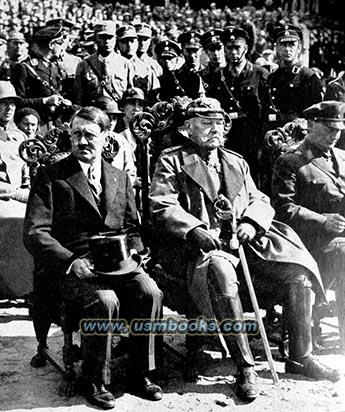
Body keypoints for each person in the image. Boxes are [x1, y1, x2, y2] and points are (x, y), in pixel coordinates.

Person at [149, 97, 342, 402]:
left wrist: (252, 223)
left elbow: (260, 199)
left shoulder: (235, 161)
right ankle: (245, 366)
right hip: (196, 251)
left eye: (220, 124)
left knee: (297, 269)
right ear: (188, 128)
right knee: (221, 270)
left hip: (244, 245)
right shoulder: (172, 159)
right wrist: (195, 229)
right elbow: (162, 204)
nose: (215, 130)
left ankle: (300, 357)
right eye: (206, 123)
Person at [23, 106, 163, 410]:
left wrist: (137, 250)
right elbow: (35, 232)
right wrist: (71, 261)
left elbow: (131, 226)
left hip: (118, 264)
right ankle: (95, 379)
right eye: (76, 134)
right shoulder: (51, 177)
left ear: (105, 138)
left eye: (90, 134)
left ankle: (141, 373)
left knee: (150, 291)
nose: (82, 141)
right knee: (105, 301)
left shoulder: (120, 177)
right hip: (72, 267)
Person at [271, 100, 345, 349]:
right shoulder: (290, 162)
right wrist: (323, 222)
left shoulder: (342, 158)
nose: (334, 136)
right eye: (328, 129)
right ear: (311, 125)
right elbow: (283, 209)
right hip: (307, 245)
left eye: (337, 131)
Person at [206, 27, 269, 181]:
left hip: (252, 140)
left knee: (252, 180)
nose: (233, 52)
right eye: (229, 48)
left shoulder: (260, 74)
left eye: (237, 48)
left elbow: (267, 110)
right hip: (226, 139)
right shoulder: (217, 76)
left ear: (245, 49)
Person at [11, 25, 73, 131]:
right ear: (51, 45)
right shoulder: (25, 67)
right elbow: (18, 101)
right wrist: (44, 101)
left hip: (56, 124)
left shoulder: (55, 66)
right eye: (60, 44)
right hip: (35, 125)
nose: (62, 47)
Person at [266, 24, 323, 130]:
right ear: (277, 48)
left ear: (299, 48)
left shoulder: (308, 77)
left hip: (299, 136)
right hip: (274, 135)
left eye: (292, 44)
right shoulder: (272, 78)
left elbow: (317, 114)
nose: (287, 49)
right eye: (283, 44)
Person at [74, 21, 133, 106]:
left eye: (110, 37)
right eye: (102, 37)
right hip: (93, 114)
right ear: (95, 38)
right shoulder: (84, 65)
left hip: (117, 113)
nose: (106, 41)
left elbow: (130, 96)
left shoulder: (125, 64)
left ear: (115, 39)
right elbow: (78, 98)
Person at [92, 95, 137, 186]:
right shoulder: (87, 140)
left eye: (115, 118)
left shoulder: (120, 140)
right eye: (108, 117)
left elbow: (130, 171)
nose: (112, 122)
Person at [0, 81, 29, 204]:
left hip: (22, 200)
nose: (10, 107)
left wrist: (28, 189)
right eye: (4, 103)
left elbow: (25, 172)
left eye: (12, 103)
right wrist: (15, 193)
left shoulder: (20, 136)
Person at [116, 25, 159, 105]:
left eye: (132, 41)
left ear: (136, 43)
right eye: (124, 42)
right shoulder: (112, 65)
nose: (129, 45)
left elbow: (154, 95)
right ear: (118, 44)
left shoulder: (146, 69)